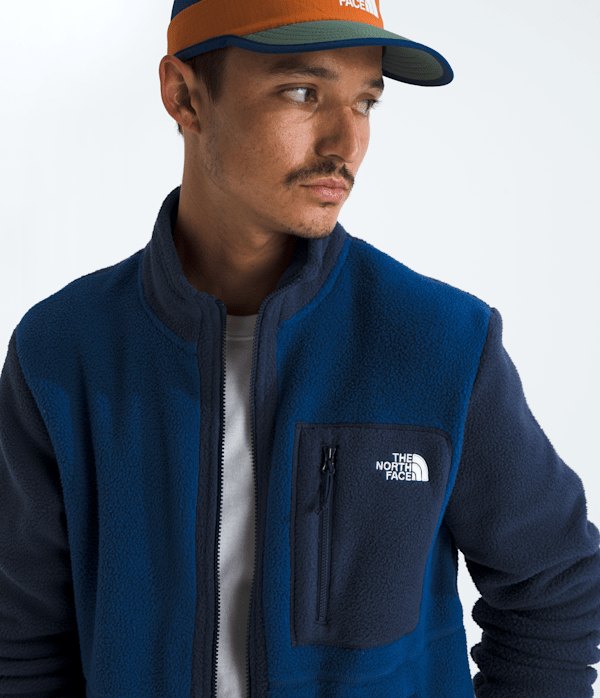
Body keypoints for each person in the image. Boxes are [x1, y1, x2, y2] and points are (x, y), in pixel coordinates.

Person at [1, 0, 599, 696]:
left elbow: (556, 592)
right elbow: (22, 645)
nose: (346, 142)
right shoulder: (63, 354)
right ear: (184, 96)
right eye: (303, 92)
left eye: (366, 101)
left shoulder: (444, 343)